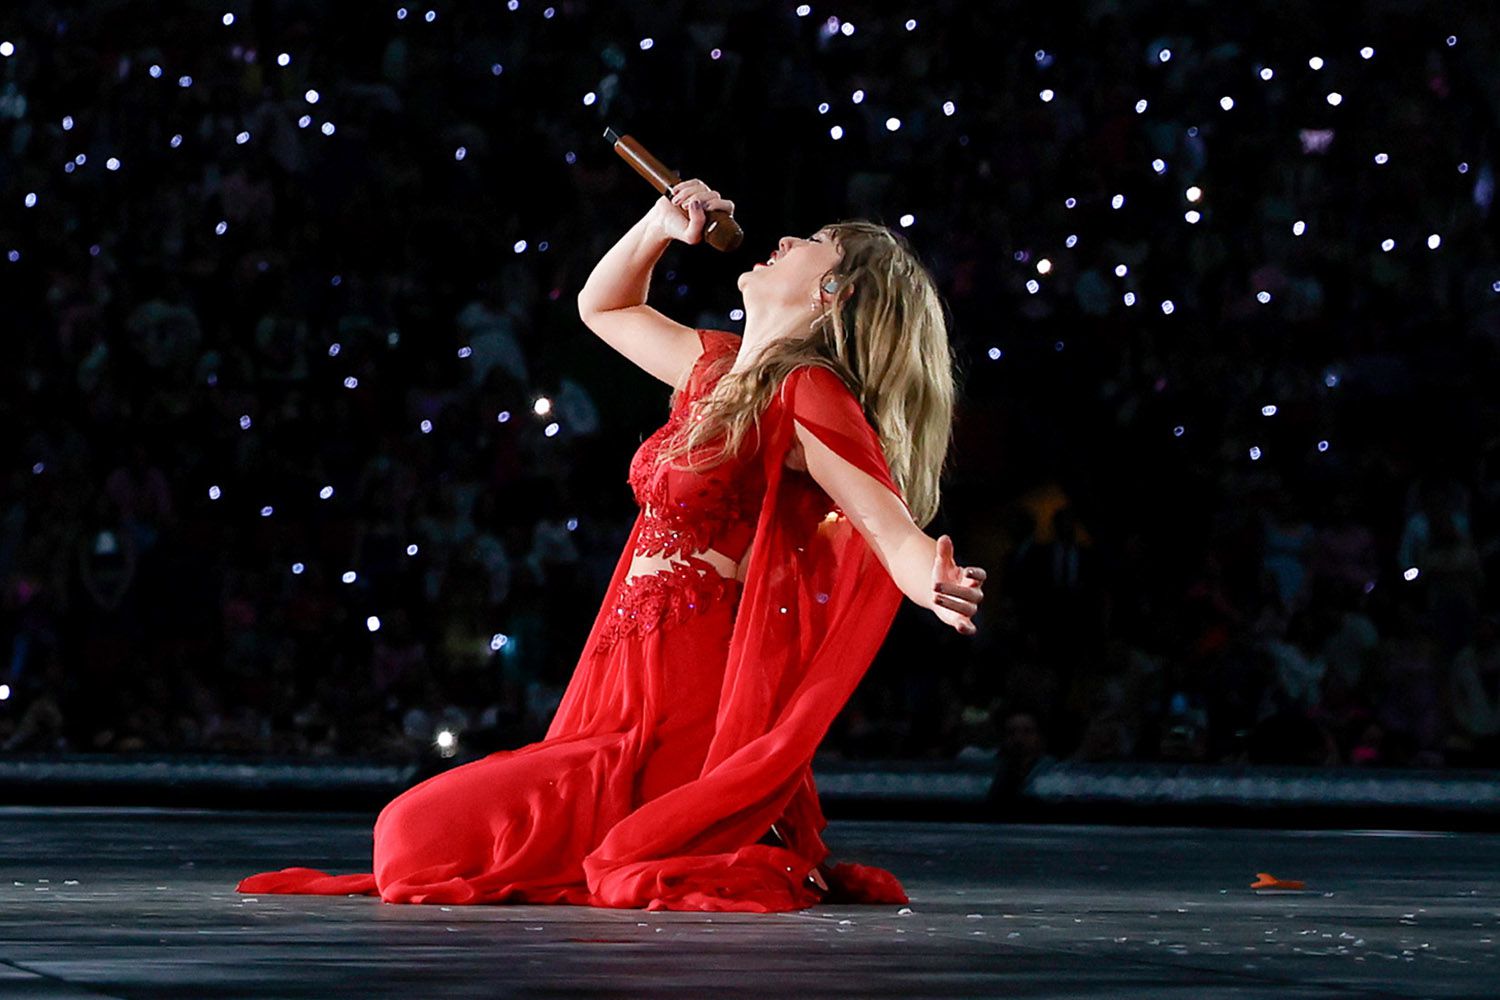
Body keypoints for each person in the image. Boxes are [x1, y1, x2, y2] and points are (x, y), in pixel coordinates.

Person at [238, 178, 986, 912]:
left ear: (837, 294)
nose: (786, 239)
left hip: (680, 707)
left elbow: (888, 525)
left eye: (816, 245)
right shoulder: (715, 369)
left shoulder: (807, 391)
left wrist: (932, 578)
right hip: (618, 680)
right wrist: (661, 226)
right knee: (414, 836)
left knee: (407, 836)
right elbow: (604, 305)